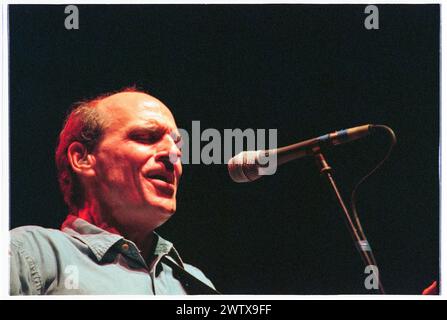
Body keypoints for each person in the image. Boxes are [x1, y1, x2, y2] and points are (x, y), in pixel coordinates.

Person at [10, 88, 217, 295]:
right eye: (145, 137)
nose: (174, 154)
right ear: (82, 158)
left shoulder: (197, 282)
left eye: (178, 147)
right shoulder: (30, 252)